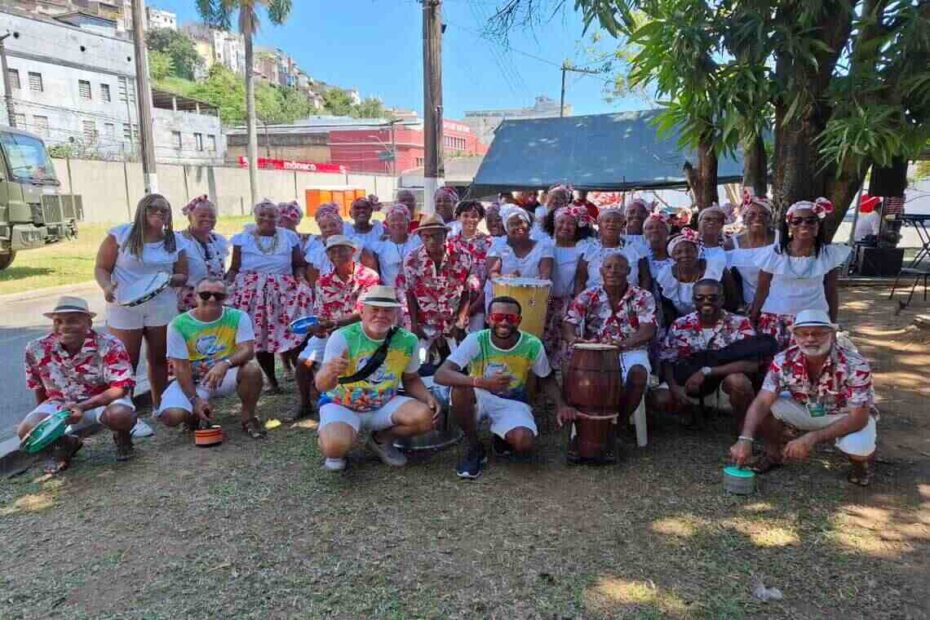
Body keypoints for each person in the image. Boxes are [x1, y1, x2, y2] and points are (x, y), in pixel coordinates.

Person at [729, 310, 877, 486]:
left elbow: (858, 418)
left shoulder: (855, 364)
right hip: (807, 409)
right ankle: (773, 455)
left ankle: (859, 465)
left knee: (860, 448)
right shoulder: (783, 360)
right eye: (803, 333)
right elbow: (762, 401)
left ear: (831, 334)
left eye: (818, 333)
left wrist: (811, 438)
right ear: (795, 336)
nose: (810, 339)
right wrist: (745, 438)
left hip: (845, 415)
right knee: (768, 404)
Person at [435, 296, 569, 479]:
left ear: (519, 321)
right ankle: (474, 446)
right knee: (460, 387)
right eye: (498, 317)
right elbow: (441, 374)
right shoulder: (476, 339)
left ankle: (501, 436)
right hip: (479, 395)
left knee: (523, 442)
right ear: (489, 319)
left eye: (511, 318)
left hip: (512, 400)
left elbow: (546, 378)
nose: (504, 322)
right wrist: (481, 382)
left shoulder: (531, 344)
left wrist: (561, 405)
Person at [315, 286, 440, 472]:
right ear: (362, 311)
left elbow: (411, 379)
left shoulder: (408, 340)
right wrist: (329, 371)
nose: (381, 315)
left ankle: (380, 440)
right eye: (374, 309)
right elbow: (321, 386)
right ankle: (338, 441)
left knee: (425, 418)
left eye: (387, 310)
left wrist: (427, 398)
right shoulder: (342, 337)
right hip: (342, 403)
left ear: (396, 314)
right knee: (334, 447)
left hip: (384, 402)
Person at [95, 193, 188, 436]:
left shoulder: (175, 241)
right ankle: (128, 414)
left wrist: (166, 280)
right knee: (126, 363)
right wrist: (106, 286)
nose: (159, 214)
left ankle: (159, 406)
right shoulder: (121, 235)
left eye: (164, 210)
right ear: (142, 211)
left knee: (159, 359)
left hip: (161, 306)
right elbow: (102, 268)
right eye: (153, 209)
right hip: (125, 307)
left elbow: (183, 275)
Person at [20, 296, 137, 474]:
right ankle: (66, 443)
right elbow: (38, 387)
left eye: (72, 320)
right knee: (28, 430)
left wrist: (83, 406)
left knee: (120, 415)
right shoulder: (36, 348)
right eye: (58, 321)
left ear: (88, 322)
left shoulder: (110, 344)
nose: (64, 326)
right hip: (61, 404)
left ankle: (123, 437)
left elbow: (121, 387)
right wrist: (49, 426)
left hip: (102, 400)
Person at [157, 278, 266, 438]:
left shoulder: (238, 317)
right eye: (205, 295)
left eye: (218, 295)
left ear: (225, 298)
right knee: (171, 416)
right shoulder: (178, 325)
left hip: (224, 375)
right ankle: (193, 415)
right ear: (195, 296)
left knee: (252, 370)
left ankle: (248, 417)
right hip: (192, 378)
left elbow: (247, 351)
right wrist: (195, 400)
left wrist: (224, 363)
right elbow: (181, 367)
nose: (212, 299)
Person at [563, 253, 657, 431]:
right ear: (601, 271)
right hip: (595, 351)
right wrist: (573, 339)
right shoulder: (589, 295)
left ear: (628, 271)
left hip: (631, 350)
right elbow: (568, 323)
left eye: (619, 267)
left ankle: (617, 424)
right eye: (608, 267)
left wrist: (622, 344)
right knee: (573, 368)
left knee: (638, 373)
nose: (613, 271)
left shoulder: (643, 296)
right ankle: (587, 426)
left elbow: (648, 330)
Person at [227, 199, 310, 391]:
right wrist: (226, 284)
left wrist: (301, 278)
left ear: (278, 217)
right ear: (254, 216)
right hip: (253, 295)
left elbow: (298, 264)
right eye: (262, 215)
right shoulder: (242, 238)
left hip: (283, 292)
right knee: (260, 339)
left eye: (272, 215)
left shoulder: (289, 237)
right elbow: (234, 267)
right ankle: (272, 381)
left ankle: (304, 382)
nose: (267, 219)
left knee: (294, 335)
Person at [295, 235, 380, 420]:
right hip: (329, 333)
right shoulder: (322, 282)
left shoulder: (369, 277)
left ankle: (361, 401)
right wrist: (317, 327)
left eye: (343, 249)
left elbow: (366, 312)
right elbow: (320, 312)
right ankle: (305, 403)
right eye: (333, 250)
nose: (338, 253)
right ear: (328, 256)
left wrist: (336, 324)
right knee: (304, 362)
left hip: (360, 334)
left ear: (353, 252)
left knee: (359, 366)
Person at [749, 198, 850, 349]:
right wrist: (753, 317)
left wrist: (832, 324)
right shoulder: (774, 253)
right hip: (776, 319)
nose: (804, 224)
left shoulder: (828, 255)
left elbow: (831, 291)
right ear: (789, 225)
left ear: (817, 226)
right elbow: (762, 289)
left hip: (813, 321)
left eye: (810, 221)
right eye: (797, 221)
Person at [657, 279, 760, 426]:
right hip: (687, 381)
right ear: (693, 300)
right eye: (700, 298)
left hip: (723, 382)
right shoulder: (680, 324)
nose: (706, 301)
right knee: (659, 398)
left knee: (738, 382)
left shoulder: (741, 323)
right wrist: (673, 388)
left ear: (722, 299)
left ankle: (742, 427)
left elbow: (752, 365)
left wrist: (707, 371)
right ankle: (691, 411)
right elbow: (667, 359)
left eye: (713, 298)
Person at [400, 215, 476, 358]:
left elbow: (467, 290)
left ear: (445, 234)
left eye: (436, 236)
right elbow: (409, 292)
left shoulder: (462, 256)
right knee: (422, 366)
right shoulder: (412, 259)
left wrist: (460, 320)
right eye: (426, 236)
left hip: (453, 323)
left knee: (459, 365)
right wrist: (415, 324)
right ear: (420, 237)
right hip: (426, 324)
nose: (431, 240)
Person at [542, 204, 595, 366]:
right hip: (547, 302)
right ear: (554, 223)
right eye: (561, 222)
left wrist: (576, 306)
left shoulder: (583, 248)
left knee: (567, 348)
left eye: (571, 223)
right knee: (545, 344)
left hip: (571, 303)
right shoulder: (544, 244)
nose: (565, 227)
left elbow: (581, 278)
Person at [655, 227, 729, 320]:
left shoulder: (715, 269)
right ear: (672, 256)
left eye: (689, 250)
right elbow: (667, 309)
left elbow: (731, 300)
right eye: (678, 252)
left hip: (717, 318)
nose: (685, 255)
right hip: (682, 323)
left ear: (697, 252)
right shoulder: (666, 275)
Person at [575, 207, 647, 294]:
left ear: (622, 225)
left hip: (631, 301)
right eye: (607, 221)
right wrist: (581, 304)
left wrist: (640, 301)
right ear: (599, 224)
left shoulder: (635, 249)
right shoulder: (589, 249)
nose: (612, 224)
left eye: (617, 221)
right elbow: (580, 280)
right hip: (594, 302)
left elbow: (645, 278)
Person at [177, 195, 228, 312]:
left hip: (216, 298)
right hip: (189, 301)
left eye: (212, 216)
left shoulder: (218, 240)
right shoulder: (179, 241)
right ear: (190, 217)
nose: (208, 219)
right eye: (202, 216)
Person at [449, 199, 493, 331]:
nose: (470, 219)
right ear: (458, 217)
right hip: (454, 303)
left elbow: (491, 275)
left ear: (480, 218)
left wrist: (478, 302)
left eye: (474, 216)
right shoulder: (450, 243)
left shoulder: (489, 243)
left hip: (479, 301)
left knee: (475, 341)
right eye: (465, 215)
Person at [727, 196, 776, 310]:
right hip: (748, 305)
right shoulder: (731, 244)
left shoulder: (780, 239)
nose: (757, 218)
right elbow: (728, 278)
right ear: (744, 218)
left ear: (770, 218)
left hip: (779, 303)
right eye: (752, 214)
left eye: (763, 214)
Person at [488, 205, 554, 283]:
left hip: (533, 294)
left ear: (529, 225)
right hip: (501, 293)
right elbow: (493, 273)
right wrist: (504, 279)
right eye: (512, 224)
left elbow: (544, 277)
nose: (517, 227)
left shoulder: (543, 247)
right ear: (507, 229)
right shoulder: (498, 245)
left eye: (521, 222)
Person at [365, 203, 421, 288]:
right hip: (389, 294)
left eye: (401, 220)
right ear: (387, 223)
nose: (397, 223)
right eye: (393, 220)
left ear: (408, 221)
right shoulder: (380, 246)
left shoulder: (417, 241)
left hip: (415, 291)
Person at [305, 203, 350, 278]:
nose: (329, 229)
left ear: (341, 225)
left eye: (333, 225)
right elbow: (313, 280)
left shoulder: (355, 246)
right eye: (324, 227)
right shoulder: (316, 254)